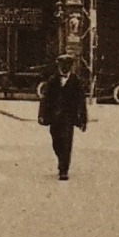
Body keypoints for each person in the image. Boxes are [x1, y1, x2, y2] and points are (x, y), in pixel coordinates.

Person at [38, 53, 88, 181]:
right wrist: (41, 116)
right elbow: (45, 100)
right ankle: (61, 159)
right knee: (56, 142)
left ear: (70, 67)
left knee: (66, 143)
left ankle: (63, 169)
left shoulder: (76, 81)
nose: (64, 68)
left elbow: (81, 102)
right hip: (54, 118)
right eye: (62, 66)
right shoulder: (53, 80)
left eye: (67, 66)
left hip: (68, 118)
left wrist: (83, 119)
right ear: (59, 66)